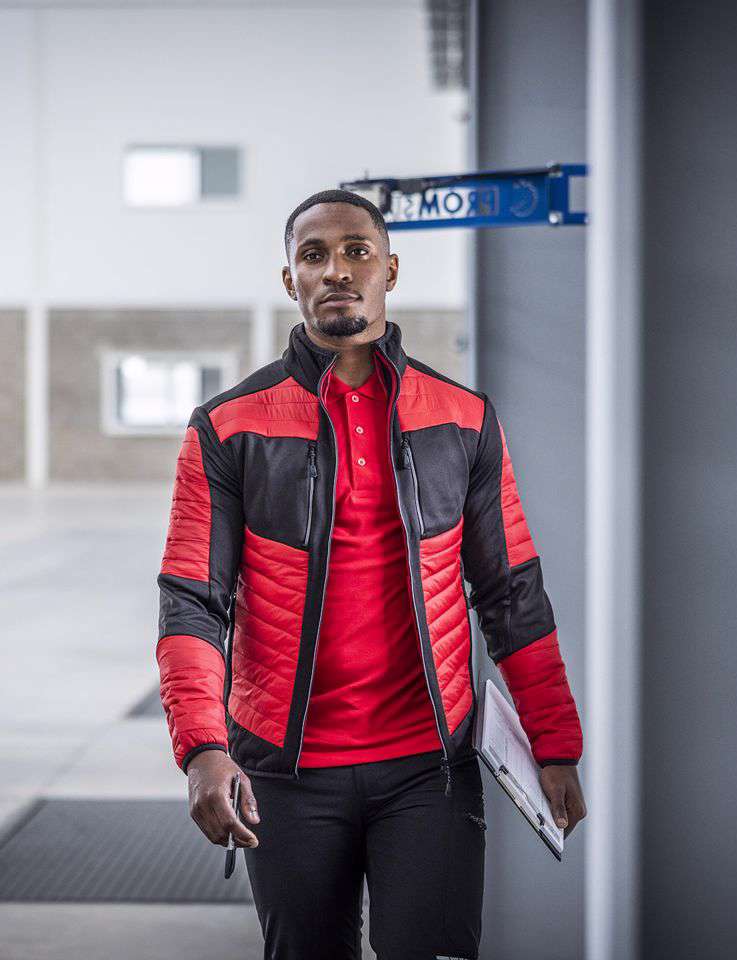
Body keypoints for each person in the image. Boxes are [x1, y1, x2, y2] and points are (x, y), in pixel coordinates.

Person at [156, 188, 586, 959]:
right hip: (283, 771)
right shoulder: (227, 426)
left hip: (431, 768)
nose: (337, 270)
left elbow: (511, 594)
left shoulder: (463, 418)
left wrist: (554, 746)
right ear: (290, 279)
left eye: (357, 251)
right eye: (313, 255)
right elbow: (192, 601)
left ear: (389, 269)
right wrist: (203, 749)